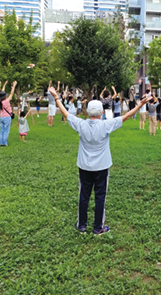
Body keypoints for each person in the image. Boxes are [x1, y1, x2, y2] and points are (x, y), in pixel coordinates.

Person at [47, 86, 149, 235]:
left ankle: (82, 225)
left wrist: (56, 97)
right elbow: (125, 117)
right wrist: (139, 105)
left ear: (88, 112)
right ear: (102, 112)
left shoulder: (81, 124)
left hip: (84, 167)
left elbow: (65, 112)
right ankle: (97, 227)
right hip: (101, 167)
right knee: (100, 197)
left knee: (84, 196)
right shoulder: (105, 125)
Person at [0, 81, 17, 147]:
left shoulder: (0, 101)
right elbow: (12, 93)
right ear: (5, 97)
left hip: (1, 117)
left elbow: (1, 92)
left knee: (2, 131)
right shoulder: (6, 101)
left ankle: (1, 143)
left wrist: (4, 85)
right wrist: (14, 85)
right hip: (7, 117)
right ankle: (5, 143)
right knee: (6, 131)